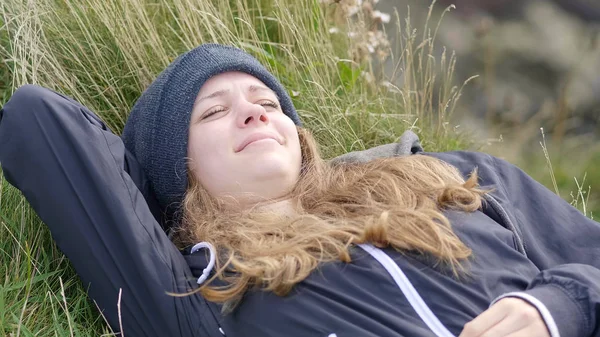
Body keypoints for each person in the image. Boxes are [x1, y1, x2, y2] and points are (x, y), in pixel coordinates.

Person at [1, 43, 599, 337]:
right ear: (175, 169)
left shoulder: (444, 176)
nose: (254, 114)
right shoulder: (198, 298)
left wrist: (555, 307)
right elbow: (39, 120)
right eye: (212, 113)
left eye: (267, 103)